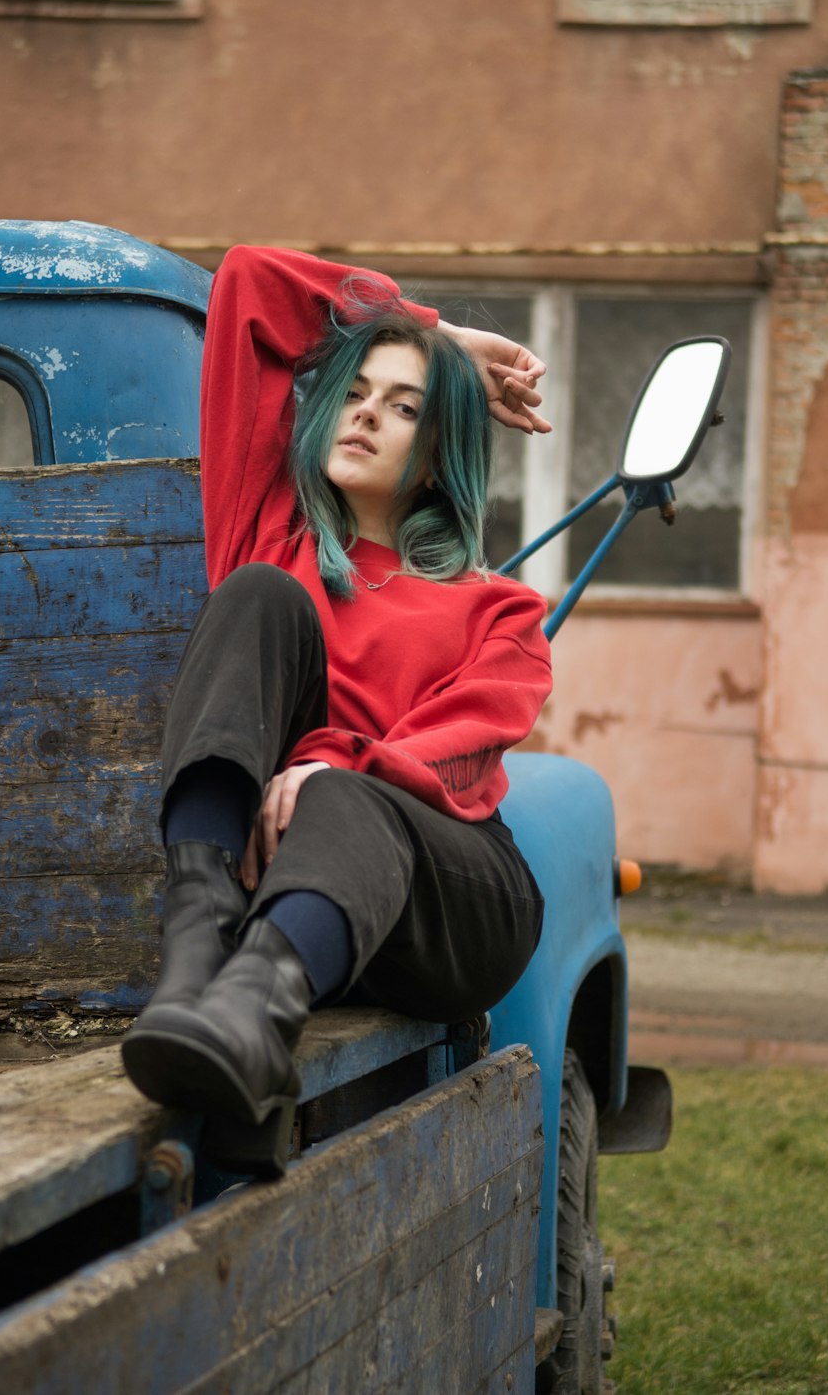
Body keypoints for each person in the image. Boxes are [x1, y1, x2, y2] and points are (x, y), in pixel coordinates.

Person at [121, 245, 553, 1173]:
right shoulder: (270, 536)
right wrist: (437, 335)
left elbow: (461, 759)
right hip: (284, 879)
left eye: (405, 406)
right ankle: (201, 951)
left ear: (439, 456)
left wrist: (337, 770)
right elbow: (249, 287)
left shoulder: (496, 607)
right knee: (253, 596)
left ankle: (251, 1010)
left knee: (350, 799)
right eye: (356, 390)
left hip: (451, 900)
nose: (365, 411)